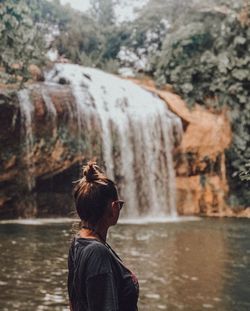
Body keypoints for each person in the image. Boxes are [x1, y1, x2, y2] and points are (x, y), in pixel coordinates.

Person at [68, 161, 139, 311]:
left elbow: (73, 303)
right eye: (120, 204)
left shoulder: (78, 242)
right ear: (114, 208)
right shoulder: (97, 253)